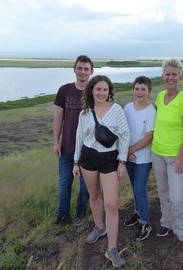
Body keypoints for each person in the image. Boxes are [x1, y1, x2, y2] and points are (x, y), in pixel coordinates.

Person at [73, 75, 130, 268]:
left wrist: (122, 162)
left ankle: (112, 249)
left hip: (109, 159)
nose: (101, 93)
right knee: (94, 196)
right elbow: (79, 136)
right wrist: (75, 161)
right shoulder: (85, 113)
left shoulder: (117, 110)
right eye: (98, 89)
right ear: (91, 91)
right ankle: (99, 227)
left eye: (105, 90)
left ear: (109, 91)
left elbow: (125, 135)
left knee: (112, 204)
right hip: (88, 157)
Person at [151, 59, 183, 251]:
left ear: (179, 76)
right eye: (167, 74)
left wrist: (180, 156)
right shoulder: (160, 96)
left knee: (177, 197)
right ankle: (166, 223)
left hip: (175, 157)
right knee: (163, 192)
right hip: (157, 153)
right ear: (163, 75)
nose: (170, 77)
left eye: (174, 74)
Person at [53, 55, 93, 227]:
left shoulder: (95, 92)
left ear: (92, 71)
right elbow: (58, 117)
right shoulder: (64, 90)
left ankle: (81, 213)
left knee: (86, 187)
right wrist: (56, 141)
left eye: (86, 69)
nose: (83, 72)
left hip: (88, 149)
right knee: (64, 185)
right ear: (74, 69)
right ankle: (62, 217)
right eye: (80, 68)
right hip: (67, 147)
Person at [123, 76, 156, 241]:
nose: (139, 92)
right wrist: (126, 152)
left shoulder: (151, 111)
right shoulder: (128, 107)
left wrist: (129, 150)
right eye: (137, 88)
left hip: (143, 157)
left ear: (149, 91)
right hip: (129, 156)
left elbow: (148, 138)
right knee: (134, 186)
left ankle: (145, 222)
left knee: (139, 189)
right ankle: (137, 212)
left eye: (143, 89)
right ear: (133, 89)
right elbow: (123, 131)